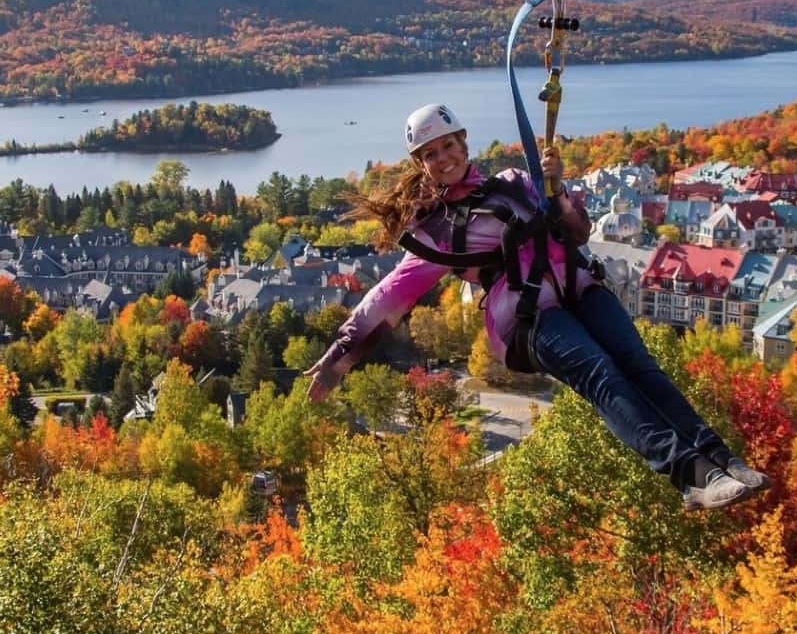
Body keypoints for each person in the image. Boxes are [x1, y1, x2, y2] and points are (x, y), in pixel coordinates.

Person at [306, 104, 771, 510]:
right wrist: (339, 358)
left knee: (641, 368)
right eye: (431, 153)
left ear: (464, 142)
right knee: (600, 374)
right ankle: (692, 476)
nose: (443, 158)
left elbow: (577, 231)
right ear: (420, 164)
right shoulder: (437, 231)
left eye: (448, 145)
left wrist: (555, 189)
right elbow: (390, 294)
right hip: (527, 318)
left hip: (579, 287)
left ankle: (721, 458)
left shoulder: (514, 182)